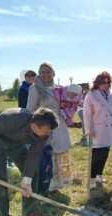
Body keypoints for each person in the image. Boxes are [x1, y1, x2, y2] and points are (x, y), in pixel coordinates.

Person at [27, 62, 73, 191]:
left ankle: (58, 182)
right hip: (46, 125)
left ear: (53, 73)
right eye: (43, 72)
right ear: (39, 73)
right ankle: (48, 183)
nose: (46, 75)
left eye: (48, 72)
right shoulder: (35, 88)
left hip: (60, 124)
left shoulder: (58, 88)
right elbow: (30, 109)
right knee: (49, 154)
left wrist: (67, 105)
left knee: (59, 152)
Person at [83, 71, 112, 189]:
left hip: (108, 129)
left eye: (108, 82)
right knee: (96, 155)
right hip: (97, 129)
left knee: (105, 154)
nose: (106, 84)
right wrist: (89, 130)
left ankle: (99, 174)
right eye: (103, 82)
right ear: (97, 83)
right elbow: (86, 115)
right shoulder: (91, 96)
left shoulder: (111, 96)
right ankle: (91, 178)